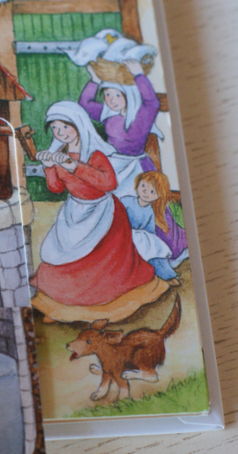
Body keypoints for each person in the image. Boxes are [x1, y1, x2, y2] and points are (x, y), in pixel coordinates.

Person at [30, 101, 169, 323]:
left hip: (103, 213)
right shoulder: (59, 154)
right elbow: (56, 188)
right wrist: (49, 168)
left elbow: (109, 183)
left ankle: (97, 303)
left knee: (99, 264)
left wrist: (75, 166)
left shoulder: (95, 154)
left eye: (65, 126)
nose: (60, 132)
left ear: (78, 125)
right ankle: (60, 303)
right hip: (74, 212)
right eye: (55, 128)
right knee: (60, 254)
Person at [80, 59, 163, 198]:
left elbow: (152, 103)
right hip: (113, 165)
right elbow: (85, 104)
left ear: (128, 95)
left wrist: (139, 76)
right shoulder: (108, 114)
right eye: (108, 94)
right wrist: (94, 81)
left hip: (135, 167)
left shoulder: (139, 117)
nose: (112, 100)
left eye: (118, 95)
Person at [120, 171, 181, 284]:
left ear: (158, 196)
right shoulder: (126, 201)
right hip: (123, 235)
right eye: (143, 186)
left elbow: (150, 232)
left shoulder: (149, 212)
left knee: (154, 246)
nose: (145, 192)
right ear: (137, 184)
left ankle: (168, 275)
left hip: (139, 239)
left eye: (152, 191)